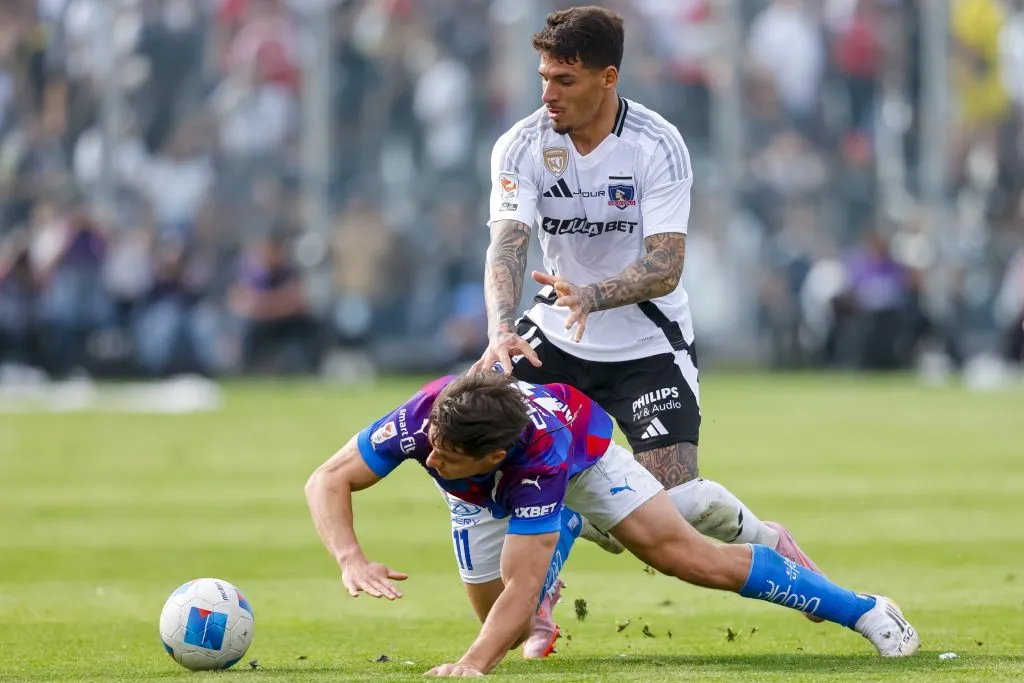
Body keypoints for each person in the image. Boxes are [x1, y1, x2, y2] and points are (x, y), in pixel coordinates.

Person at [468, 5, 824, 642]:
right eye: (544, 77)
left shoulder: (657, 143)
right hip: (553, 334)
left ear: (609, 77)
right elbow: (508, 245)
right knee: (487, 444)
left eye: (565, 80)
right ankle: (538, 594)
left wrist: (592, 294)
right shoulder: (521, 144)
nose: (547, 94)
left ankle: (770, 543)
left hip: (646, 344)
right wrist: (500, 327)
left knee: (673, 510)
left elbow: (666, 266)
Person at [304, 372, 920, 678]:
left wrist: (470, 665)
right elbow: (327, 480)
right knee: (503, 622)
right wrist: (351, 558)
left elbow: (523, 586)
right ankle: (567, 528)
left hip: (582, 455)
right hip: (484, 496)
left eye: (444, 458)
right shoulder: (426, 421)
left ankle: (865, 610)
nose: (429, 462)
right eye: (431, 447)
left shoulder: (538, 457)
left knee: (688, 559)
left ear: (493, 456)